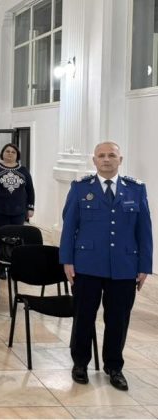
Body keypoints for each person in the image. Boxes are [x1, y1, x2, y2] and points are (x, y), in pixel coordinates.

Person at [60, 141, 152, 391]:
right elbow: (69, 227)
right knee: (84, 316)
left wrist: (144, 266)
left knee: (118, 319)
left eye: (112, 155)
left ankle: (114, 366)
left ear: (120, 160)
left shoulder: (136, 189)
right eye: (101, 155)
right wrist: (67, 260)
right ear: (94, 161)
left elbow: (144, 231)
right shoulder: (80, 188)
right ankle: (80, 363)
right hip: (86, 264)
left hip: (124, 265)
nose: (106, 159)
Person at [0, 143, 34, 229]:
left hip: (20, 210)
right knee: (2, 234)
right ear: (2, 153)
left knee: (18, 234)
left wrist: (31, 208)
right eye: (7, 151)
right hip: (0, 210)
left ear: (17, 155)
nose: (10, 153)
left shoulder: (24, 170)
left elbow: (30, 190)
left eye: (13, 152)